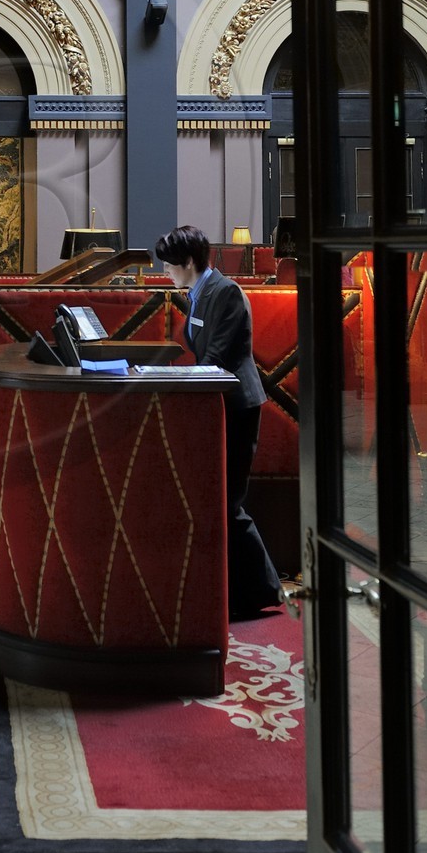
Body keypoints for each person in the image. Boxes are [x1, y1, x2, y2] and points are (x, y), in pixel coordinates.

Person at [154, 224, 282, 620]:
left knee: (229, 500)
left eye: (169, 265)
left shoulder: (225, 293)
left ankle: (264, 589)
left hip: (238, 406)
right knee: (219, 499)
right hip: (217, 403)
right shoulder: (197, 294)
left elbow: (219, 359)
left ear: (189, 262)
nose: (165, 273)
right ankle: (239, 592)